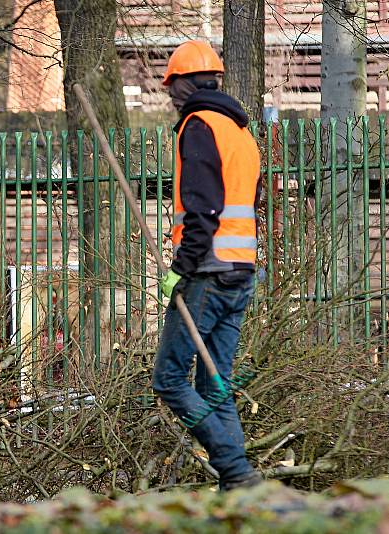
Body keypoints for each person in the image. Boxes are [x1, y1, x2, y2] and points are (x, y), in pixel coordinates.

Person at [152, 41, 263, 491]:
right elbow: (249, 202)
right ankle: (236, 488)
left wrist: (182, 264)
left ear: (185, 83)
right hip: (242, 271)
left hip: (208, 273)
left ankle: (235, 469)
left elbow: (203, 207)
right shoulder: (241, 131)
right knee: (216, 383)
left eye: (171, 86)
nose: (169, 96)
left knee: (170, 379)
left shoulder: (198, 127)